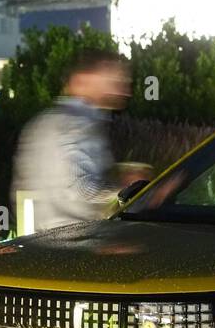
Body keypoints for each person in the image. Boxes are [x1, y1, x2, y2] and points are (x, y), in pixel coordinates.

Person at [12, 50, 132, 231]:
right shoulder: (76, 124)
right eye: (113, 80)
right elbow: (79, 190)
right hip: (72, 242)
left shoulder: (49, 121)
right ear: (81, 81)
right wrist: (130, 189)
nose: (124, 89)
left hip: (50, 241)